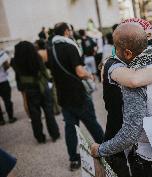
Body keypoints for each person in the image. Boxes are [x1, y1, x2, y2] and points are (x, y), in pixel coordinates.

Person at [92, 23, 152, 177]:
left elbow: (131, 134)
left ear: (128, 53)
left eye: (116, 48)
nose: (114, 54)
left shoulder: (134, 80)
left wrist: (100, 149)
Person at [47, 22, 104, 171]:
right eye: (70, 30)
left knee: (70, 129)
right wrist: (90, 75)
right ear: (66, 31)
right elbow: (79, 71)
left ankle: (73, 160)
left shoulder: (51, 49)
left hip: (63, 96)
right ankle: (107, 151)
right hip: (77, 94)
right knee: (92, 123)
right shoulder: (70, 46)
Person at [12, 41, 60, 144]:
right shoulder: (36, 57)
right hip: (42, 87)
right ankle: (54, 134)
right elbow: (44, 71)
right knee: (49, 112)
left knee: (35, 116)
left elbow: (18, 79)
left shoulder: (16, 61)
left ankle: (40, 138)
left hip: (29, 90)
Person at [0, 50, 17, 125]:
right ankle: (10, 117)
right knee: (7, 100)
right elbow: (7, 66)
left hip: (3, 81)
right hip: (3, 81)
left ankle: (1, 120)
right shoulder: (1, 55)